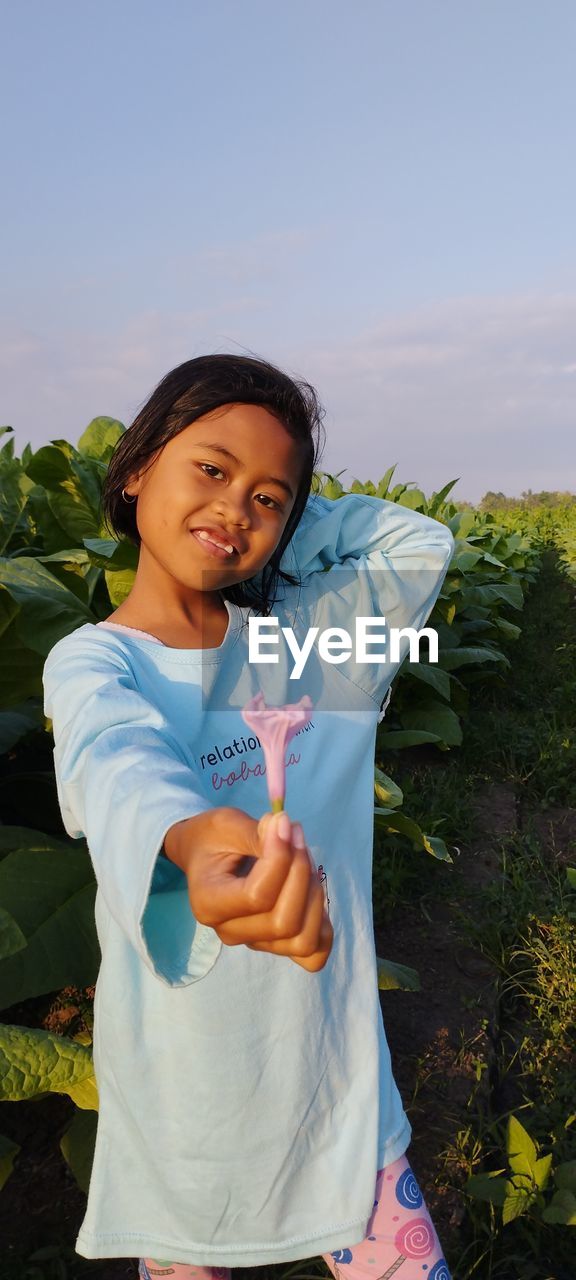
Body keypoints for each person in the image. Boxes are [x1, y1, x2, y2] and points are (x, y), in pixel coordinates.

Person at [43, 354, 454, 1280]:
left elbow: (420, 545)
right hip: (186, 1114)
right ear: (136, 465)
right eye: (213, 470)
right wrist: (190, 840)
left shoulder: (318, 643)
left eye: (271, 499)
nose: (237, 509)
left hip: (337, 1086)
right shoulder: (94, 664)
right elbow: (115, 759)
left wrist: (281, 543)